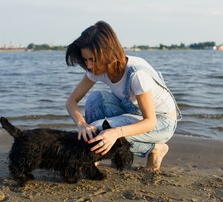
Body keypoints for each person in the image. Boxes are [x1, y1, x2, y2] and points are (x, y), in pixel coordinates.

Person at [65, 21, 181, 172]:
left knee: (103, 130)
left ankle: (155, 148)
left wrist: (115, 132)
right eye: (85, 60)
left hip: (161, 122)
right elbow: (71, 101)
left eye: (93, 59)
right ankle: (96, 153)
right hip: (133, 112)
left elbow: (150, 122)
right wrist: (82, 124)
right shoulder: (97, 70)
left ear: (108, 53)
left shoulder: (137, 74)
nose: (89, 66)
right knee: (95, 99)